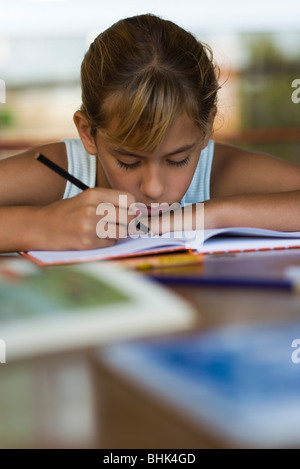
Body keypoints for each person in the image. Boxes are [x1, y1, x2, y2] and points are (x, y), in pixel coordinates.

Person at [1, 13, 300, 253]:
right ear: (88, 133)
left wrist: (209, 216)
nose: (154, 188)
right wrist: (39, 224)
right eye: (129, 162)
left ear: (207, 128)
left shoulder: (218, 172)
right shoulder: (62, 170)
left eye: (178, 159)